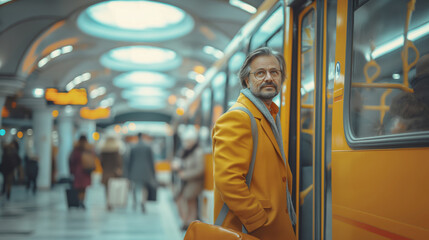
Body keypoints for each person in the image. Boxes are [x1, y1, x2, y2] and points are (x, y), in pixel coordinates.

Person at [212, 47, 296, 240]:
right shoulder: (237, 117)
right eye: (260, 73)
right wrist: (258, 220)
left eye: (274, 72)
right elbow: (229, 181)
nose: (269, 78)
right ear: (247, 81)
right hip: (252, 231)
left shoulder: (268, 115)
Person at [173, 126, 204, 231]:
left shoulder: (198, 152)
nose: (185, 143)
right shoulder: (186, 151)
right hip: (185, 182)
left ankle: (190, 223)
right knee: (181, 200)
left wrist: (185, 174)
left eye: (188, 141)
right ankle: (186, 222)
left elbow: (200, 170)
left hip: (194, 183)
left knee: (190, 203)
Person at [127, 133, 157, 213]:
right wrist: (153, 172)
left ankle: (135, 201)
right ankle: (143, 202)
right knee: (144, 187)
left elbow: (129, 161)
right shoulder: (147, 147)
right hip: (146, 171)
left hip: (134, 170)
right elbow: (151, 161)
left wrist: (128, 173)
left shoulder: (133, 147)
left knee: (135, 187)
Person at [69, 135, 93, 209]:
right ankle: (82, 200)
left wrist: (71, 170)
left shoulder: (76, 149)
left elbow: (71, 160)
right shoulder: (88, 148)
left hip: (77, 171)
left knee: (78, 187)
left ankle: (79, 200)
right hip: (86, 171)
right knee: (84, 188)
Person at [99, 136, 123, 211]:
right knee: (112, 189)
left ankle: (108, 202)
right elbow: (118, 162)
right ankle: (111, 202)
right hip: (113, 172)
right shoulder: (116, 150)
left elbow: (101, 162)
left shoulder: (103, 151)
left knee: (106, 189)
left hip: (106, 172)